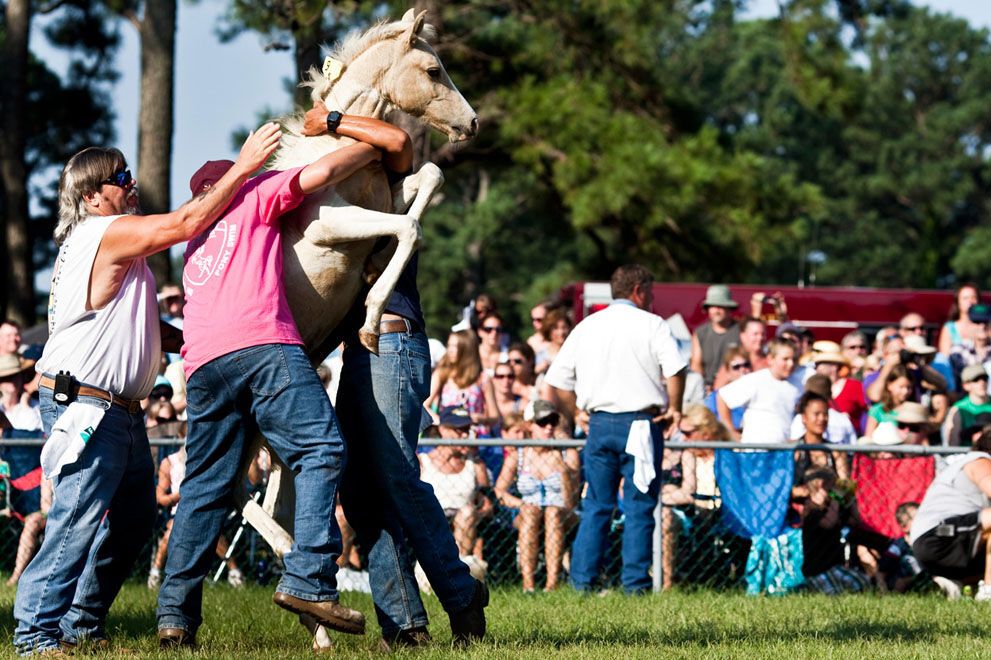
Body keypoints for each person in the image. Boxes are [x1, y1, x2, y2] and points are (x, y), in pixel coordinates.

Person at [13, 127, 280, 655]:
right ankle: (34, 634)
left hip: (115, 408)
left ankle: (80, 623)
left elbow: (147, 329)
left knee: (134, 520)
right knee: (76, 520)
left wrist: (216, 333)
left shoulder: (110, 242)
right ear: (92, 196)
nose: (131, 184)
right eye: (120, 177)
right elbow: (185, 223)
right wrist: (244, 167)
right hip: (87, 403)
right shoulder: (103, 232)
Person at [156, 118, 403, 647]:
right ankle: (308, 580)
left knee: (203, 487)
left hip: (203, 365)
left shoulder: (194, 240)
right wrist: (371, 145)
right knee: (320, 449)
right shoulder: (252, 196)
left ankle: (174, 618)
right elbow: (323, 173)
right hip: (263, 344)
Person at [299, 100, 489, 647]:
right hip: (360, 352)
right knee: (360, 492)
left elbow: (401, 142)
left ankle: (460, 594)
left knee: (397, 476)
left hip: (394, 341)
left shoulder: (390, 189)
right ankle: (405, 627)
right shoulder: (337, 203)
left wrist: (331, 121)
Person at [546, 264, 687, 594]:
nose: (652, 298)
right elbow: (676, 370)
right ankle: (635, 585)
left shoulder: (587, 326)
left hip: (599, 424)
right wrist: (675, 409)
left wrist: (575, 412)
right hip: (640, 424)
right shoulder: (653, 324)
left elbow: (557, 381)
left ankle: (582, 583)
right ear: (638, 290)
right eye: (650, 292)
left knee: (597, 506)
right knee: (639, 507)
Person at [494, 400, 579, 593]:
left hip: (562, 511)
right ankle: (528, 585)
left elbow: (571, 502)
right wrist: (521, 504)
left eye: (553, 421)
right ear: (530, 425)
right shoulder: (519, 455)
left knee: (552, 513)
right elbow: (499, 491)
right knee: (531, 513)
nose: (549, 427)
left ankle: (552, 584)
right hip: (529, 511)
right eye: (542, 422)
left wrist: (564, 472)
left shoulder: (567, 453)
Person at [147, 446, 243, 591]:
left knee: (211, 530)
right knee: (172, 530)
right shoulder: (170, 462)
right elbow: (160, 497)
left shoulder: (207, 457)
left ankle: (234, 572)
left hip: (204, 508)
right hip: (178, 511)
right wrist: (179, 495)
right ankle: (155, 573)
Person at [911, 426, 991, 598]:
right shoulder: (980, 460)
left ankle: (954, 584)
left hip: (938, 540)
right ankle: (988, 592)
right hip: (937, 534)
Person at [418, 407, 492, 559]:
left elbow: (488, 507)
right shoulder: (422, 462)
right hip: (430, 521)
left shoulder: (476, 465)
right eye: (460, 430)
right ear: (443, 430)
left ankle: (460, 564)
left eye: (467, 430)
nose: (465, 435)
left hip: (465, 523)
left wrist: (473, 515)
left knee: (467, 513)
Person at [717, 338, 804, 444]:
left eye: (794, 359)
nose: (791, 363)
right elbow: (722, 398)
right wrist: (730, 431)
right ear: (770, 359)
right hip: (756, 448)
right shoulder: (756, 380)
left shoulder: (798, 385)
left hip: (783, 449)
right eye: (785, 359)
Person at [427, 330, 499, 434]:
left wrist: (482, 419)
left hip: (476, 435)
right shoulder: (442, 374)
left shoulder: (483, 378)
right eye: (449, 345)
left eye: (455, 346)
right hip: (449, 436)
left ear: (466, 349)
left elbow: (495, 417)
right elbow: (423, 406)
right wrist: (442, 423)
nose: (450, 350)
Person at [689, 284, 740, 389]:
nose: (716, 311)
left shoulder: (741, 331)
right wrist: (703, 389)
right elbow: (696, 366)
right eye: (712, 306)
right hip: (708, 389)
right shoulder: (700, 333)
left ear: (729, 308)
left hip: (735, 388)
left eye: (720, 306)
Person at [5, 478, 53, 587]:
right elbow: (46, 507)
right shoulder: (49, 472)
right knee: (32, 523)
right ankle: (17, 575)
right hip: (50, 513)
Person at [789, 375, 858, 446]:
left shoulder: (800, 418)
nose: (821, 418)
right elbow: (853, 446)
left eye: (825, 414)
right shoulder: (843, 419)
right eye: (816, 414)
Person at [944, 365, 991, 447]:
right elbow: (952, 442)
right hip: (966, 452)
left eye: (984, 378)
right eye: (976, 379)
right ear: (965, 385)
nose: (982, 383)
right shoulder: (958, 409)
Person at [704, 347, 751, 430]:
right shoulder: (714, 398)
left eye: (746, 365)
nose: (742, 369)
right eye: (736, 366)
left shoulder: (759, 393)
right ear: (728, 371)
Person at [939, 284, 982, 356]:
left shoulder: (985, 327)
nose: (970, 301)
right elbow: (944, 357)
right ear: (958, 302)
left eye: (973, 297)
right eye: (965, 298)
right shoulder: (949, 328)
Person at [534, 307, 572, 376]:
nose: (561, 332)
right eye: (556, 328)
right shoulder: (542, 354)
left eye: (564, 327)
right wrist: (538, 369)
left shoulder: (573, 352)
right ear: (549, 330)